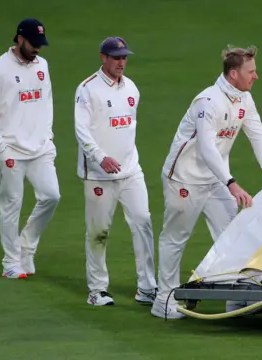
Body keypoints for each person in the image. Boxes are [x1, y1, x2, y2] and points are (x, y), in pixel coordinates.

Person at [151, 45, 262, 319]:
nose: (256, 76)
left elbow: (257, 133)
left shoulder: (243, 99)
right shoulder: (208, 102)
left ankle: (233, 298)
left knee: (231, 234)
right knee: (175, 238)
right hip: (185, 179)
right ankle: (163, 301)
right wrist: (231, 183)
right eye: (251, 71)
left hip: (216, 180)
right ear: (233, 74)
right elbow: (206, 147)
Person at [74, 37, 157, 307]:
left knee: (143, 221)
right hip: (99, 175)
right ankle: (97, 290)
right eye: (116, 57)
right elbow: (82, 131)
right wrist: (101, 157)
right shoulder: (87, 90)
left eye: (124, 57)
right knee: (99, 231)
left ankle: (147, 288)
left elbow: (126, 129)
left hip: (131, 171)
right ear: (103, 58)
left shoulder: (131, 88)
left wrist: (123, 159)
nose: (121, 62)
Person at [0, 18, 61, 279]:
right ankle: (11, 263)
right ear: (19, 39)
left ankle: (27, 245)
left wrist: (48, 138)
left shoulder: (42, 66)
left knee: (52, 196)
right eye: (33, 43)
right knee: (12, 205)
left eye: (40, 44)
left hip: (40, 148)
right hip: (11, 149)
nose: (37, 49)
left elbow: (47, 102)